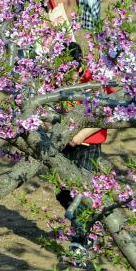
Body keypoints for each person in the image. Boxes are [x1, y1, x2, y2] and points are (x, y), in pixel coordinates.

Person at [54, 42, 116, 259]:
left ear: (80, 67)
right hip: (66, 144)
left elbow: (109, 113)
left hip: (88, 145)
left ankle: (80, 243)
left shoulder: (94, 80)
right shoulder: (57, 79)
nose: (67, 77)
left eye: (71, 72)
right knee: (63, 192)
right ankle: (93, 228)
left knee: (81, 193)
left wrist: (81, 134)